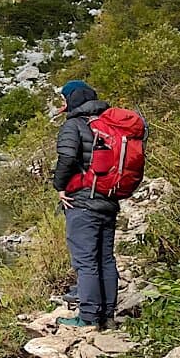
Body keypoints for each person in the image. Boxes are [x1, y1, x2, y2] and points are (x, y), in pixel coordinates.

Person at [52, 80, 122, 329]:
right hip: (109, 200)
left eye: (64, 98)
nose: (62, 103)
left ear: (73, 99)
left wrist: (59, 187)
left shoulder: (74, 125)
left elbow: (68, 157)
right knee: (105, 258)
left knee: (85, 261)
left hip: (82, 202)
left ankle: (89, 317)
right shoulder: (109, 125)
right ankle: (108, 315)